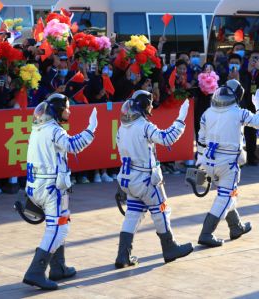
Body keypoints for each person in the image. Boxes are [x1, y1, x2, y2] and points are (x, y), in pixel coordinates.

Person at [23, 93, 98, 290]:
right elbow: (74, 145)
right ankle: (36, 271)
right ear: (57, 111)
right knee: (58, 228)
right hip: (51, 188)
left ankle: (58, 267)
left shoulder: (38, 128)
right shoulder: (54, 130)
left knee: (62, 220)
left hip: (36, 185)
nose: (69, 111)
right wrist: (91, 129)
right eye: (66, 108)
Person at [114, 90, 193, 268]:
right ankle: (169, 247)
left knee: (133, 214)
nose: (151, 107)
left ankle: (123, 255)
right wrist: (181, 119)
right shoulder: (144, 126)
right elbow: (167, 138)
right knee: (161, 210)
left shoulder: (122, 128)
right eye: (149, 103)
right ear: (143, 106)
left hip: (128, 179)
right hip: (146, 179)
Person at [196, 80, 259, 247]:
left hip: (208, 160)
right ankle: (206, 233)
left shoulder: (208, 113)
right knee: (226, 197)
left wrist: (200, 164)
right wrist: (258, 104)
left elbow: (200, 139)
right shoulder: (238, 112)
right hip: (228, 163)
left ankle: (236, 227)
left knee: (225, 193)